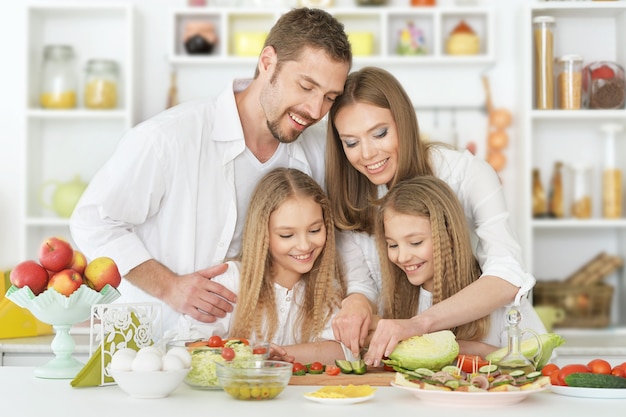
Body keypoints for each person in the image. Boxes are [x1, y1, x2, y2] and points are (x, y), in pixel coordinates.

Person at [69, 8, 352, 331]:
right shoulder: (169, 138)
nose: (316, 110)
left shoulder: (317, 152)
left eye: (330, 97)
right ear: (267, 62)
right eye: (305, 86)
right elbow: (93, 220)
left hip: (244, 352)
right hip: (153, 341)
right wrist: (169, 286)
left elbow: (344, 237)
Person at [325, 66, 537, 365]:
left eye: (380, 133)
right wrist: (356, 304)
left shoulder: (467, 173)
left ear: (404, 122)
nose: (368, 154)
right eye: (351, 142)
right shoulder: (352, 195)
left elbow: (508, 274)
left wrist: (420, 325)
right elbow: (363, 280)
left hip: (485, 336)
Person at [171, 168, 349, 364]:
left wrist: (267, 354)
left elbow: (342, 352)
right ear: (262, 234)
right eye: (287, 235)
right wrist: (246, 351)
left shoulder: (328, 287)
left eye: (314, 230)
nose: (305, 245)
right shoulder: (231, 280)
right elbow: (185, 346)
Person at [370, 176, 546, 360]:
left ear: (449, 235)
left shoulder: (501, 301)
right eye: (392, 245)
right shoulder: (393, 301)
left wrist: (471, 349)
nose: (402, 257)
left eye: (415, 242)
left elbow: (542, 366)